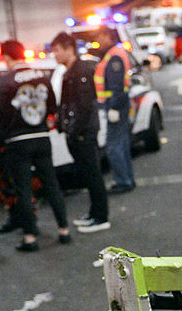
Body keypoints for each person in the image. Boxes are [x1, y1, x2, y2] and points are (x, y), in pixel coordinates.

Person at [0, 39, 70, 251]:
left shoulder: (5, 82)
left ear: (7, 57)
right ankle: (64, 229)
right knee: (51, 183)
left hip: (17, 141)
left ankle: (30, 237)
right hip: (42, 137)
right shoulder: (43, 77)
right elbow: (52, 106)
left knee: (24, 189)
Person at [51, 31, 109, 233]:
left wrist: (75, 131)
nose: (55, 55)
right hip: (77, 131)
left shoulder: (81, 70)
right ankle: (93, 213)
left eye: (57, 50)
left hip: (84, 132)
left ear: (69, 49)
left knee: (93, 174)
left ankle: (101, 217)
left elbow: (84, 106)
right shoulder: (70, 71)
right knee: (87, 174)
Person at [96, 28, 136, 194]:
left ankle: (123, 181)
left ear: (108, 37)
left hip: (115, 106)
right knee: (122, 143)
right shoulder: (114, 54)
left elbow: (116, 86)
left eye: (100, 37)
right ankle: (127, 179)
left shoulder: (114, 57)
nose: (98, 41)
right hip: (118, 105)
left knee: (114, 146)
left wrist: (112, 107)